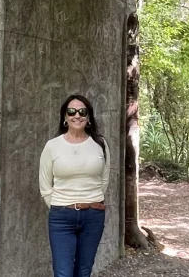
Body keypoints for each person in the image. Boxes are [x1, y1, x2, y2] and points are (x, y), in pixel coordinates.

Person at [39, 94, 109, 277]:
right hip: (61, 217)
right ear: (64, 117)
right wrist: (61, 206)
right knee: (63, 273)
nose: (76, 115)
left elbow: (104, 180)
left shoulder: (100, 144)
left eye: (82, 111)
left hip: (93, 216)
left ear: (88, 118)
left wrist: (91, 201)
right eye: (71, 111)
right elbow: (45, 185)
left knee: (84, 271)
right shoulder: (52, 146)